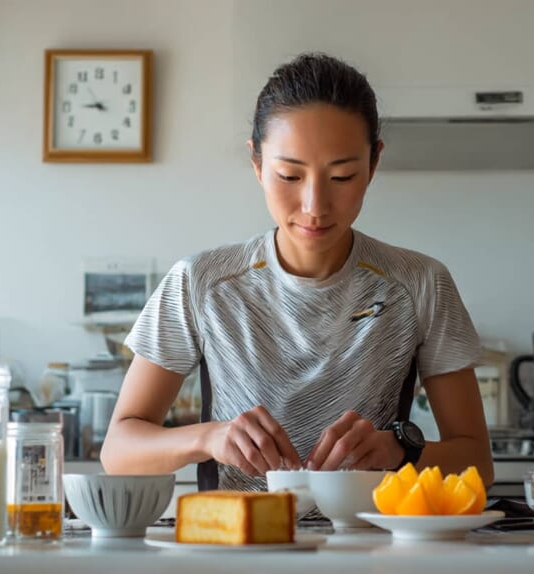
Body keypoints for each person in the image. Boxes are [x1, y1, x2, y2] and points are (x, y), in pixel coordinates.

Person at [101, 53, 493, 492]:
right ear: (257, 163)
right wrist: (210, 437)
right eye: (289, 175)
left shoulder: (420, 283)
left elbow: (477, 461)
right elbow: (118, 451)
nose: (314, 206)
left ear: (374, 163)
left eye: (342, 177)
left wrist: (400, 449)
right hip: (236, 548)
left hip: (372, 551)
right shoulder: (201, 283)